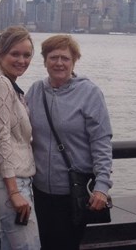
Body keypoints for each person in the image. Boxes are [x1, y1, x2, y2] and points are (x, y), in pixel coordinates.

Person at [25, 34, 113, 250]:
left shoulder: (89, 93)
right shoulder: (36, 91)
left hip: (73, 193)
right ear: (45, 61)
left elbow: (101, 141)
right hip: (39, 191)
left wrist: (102, 186)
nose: (59, 63)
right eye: (53, 57)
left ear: (74, 61)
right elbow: (14, 122)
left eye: (65, 58)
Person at [0, 26, 41, 250]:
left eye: (27, 55)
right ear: (0, 53)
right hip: (9, 182)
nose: (22, 60)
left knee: (11, 244)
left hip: (10, 179)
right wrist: (14, 192)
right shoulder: (1, 85)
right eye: (15, 54)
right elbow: (1, 140)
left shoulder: (9, 85)